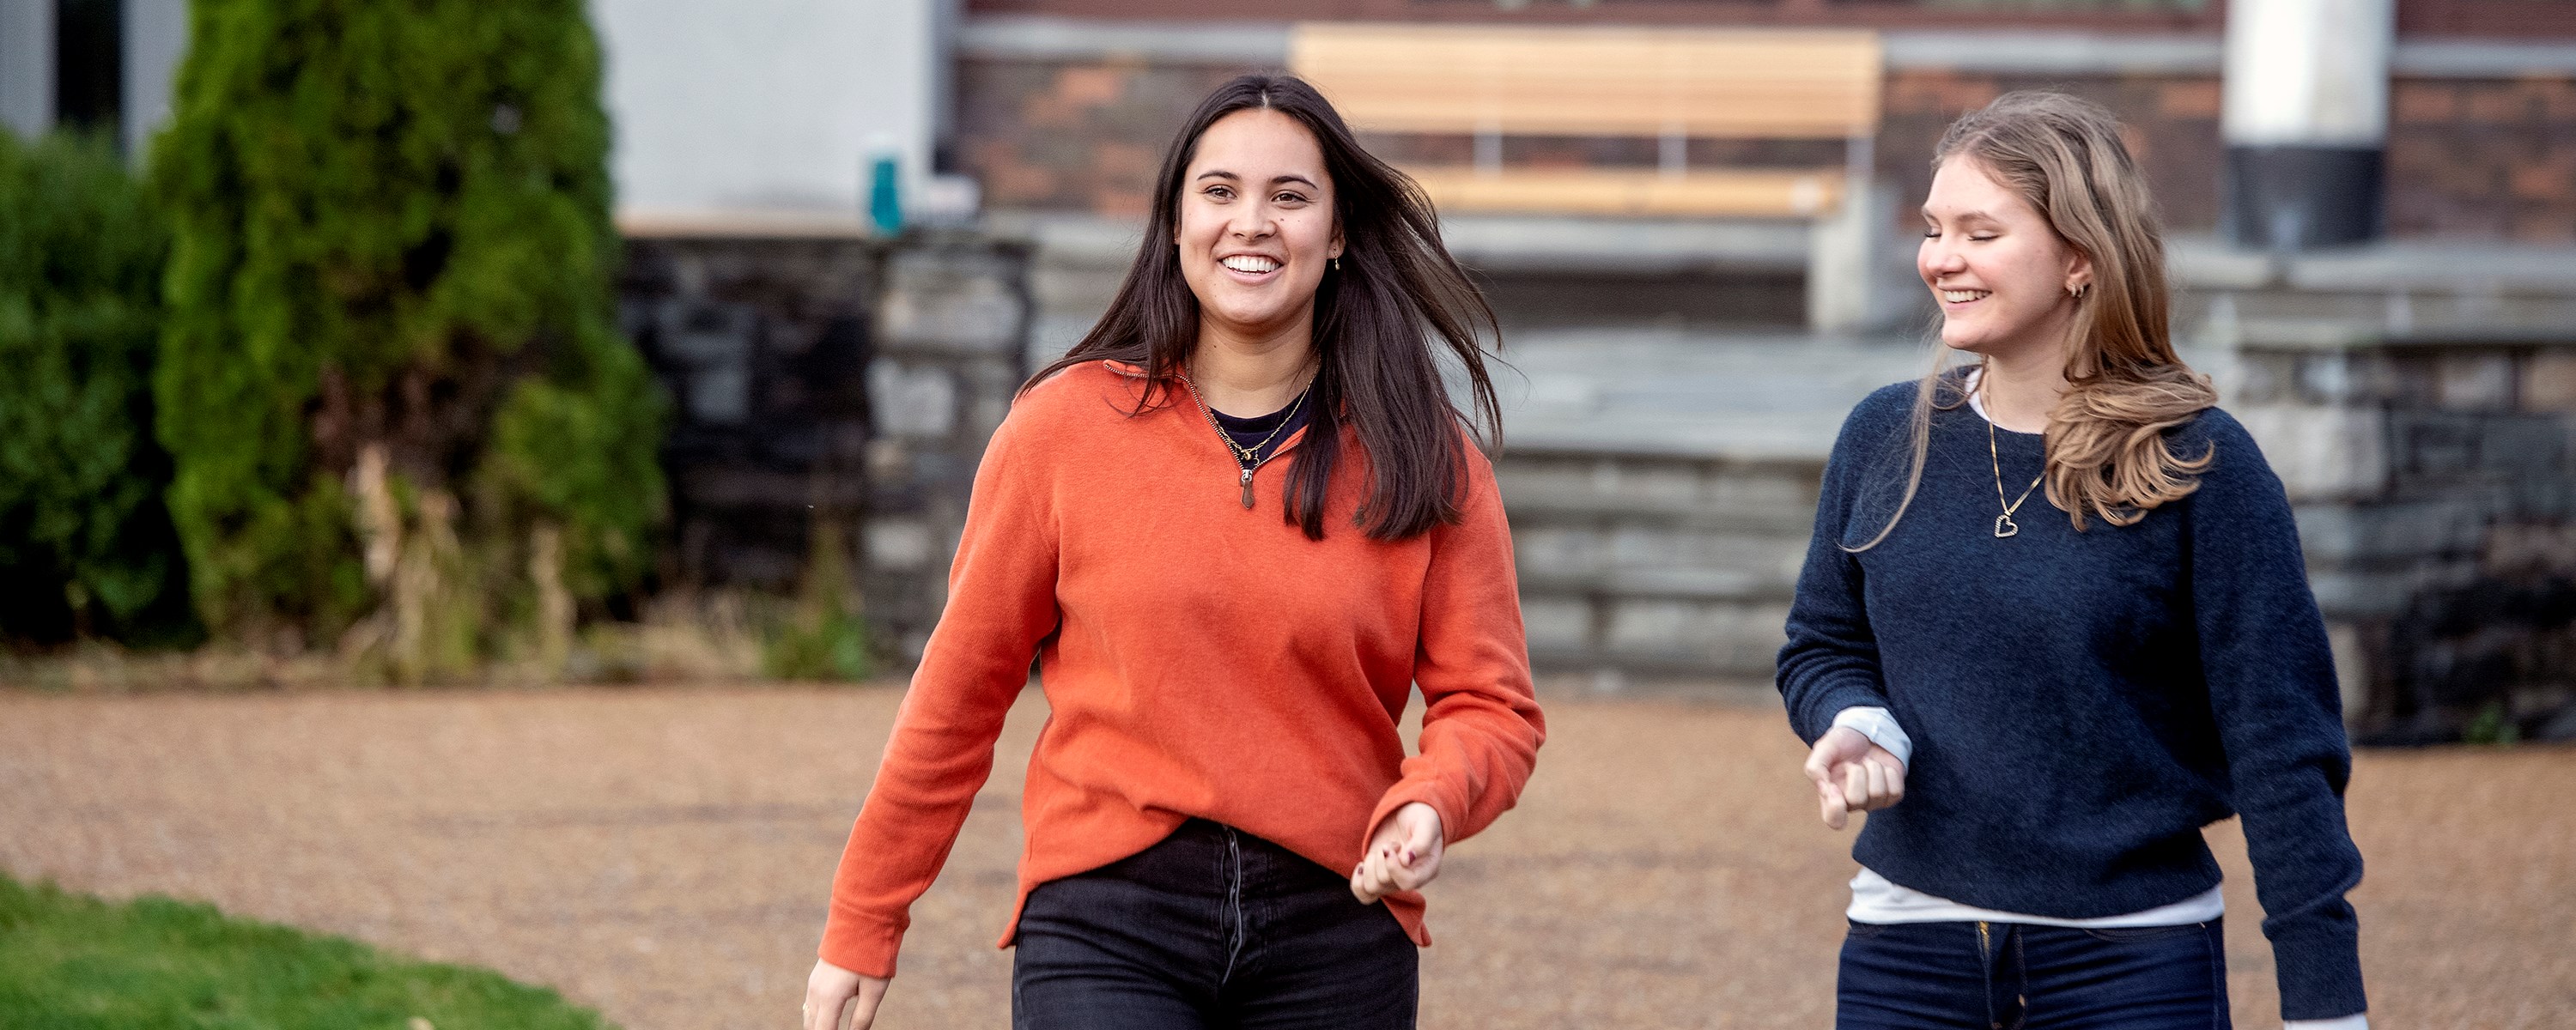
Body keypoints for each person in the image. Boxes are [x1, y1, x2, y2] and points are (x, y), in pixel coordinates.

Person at [799, 74, 1546, 1030]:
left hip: (1338, 926)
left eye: (1290, 196)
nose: (1252, 223)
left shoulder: (1426, 457)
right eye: (1220, 191)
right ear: (1177, 220)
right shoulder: (1063, 430)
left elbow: (1493, 707)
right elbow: (960, 691)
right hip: (1105, 918)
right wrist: (865, 921)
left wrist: (1434, 802)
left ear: (1341, 231)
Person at [1776, 92, 2369, 1030]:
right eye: (1934, 229)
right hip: (1907, 955)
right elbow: (1820, 645)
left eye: (1981, 231)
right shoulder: (1884, 436)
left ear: (2081, 257)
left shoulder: (2201, 464)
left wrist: (2324, 1002)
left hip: (2135, 966)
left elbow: (2283, 742)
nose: (1942, 259)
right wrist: (1856, 721)